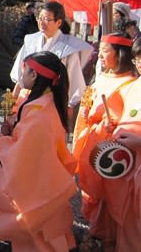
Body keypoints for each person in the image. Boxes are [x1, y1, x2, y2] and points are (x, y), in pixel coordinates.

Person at [0, 51, 77, 251]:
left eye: (25, 70)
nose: (22, 75)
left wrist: (5, 139)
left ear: (34, 75)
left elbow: (21, 155)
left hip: (37, 185)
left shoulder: (39, 116)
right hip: (46, 179)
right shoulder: (45, 103)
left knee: (35, 234)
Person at [72, 33, 137, 251]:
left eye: (105, 51)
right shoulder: (101, 77)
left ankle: (105, 237)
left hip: (112, 148)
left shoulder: (131, 84)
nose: (99, 55)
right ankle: (95, 232)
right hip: (92, 139)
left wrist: (114, 125)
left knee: (109, 196)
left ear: (120, 55)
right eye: (99, 51)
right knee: (89, 190)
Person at [10, 1, 93, 130]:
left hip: (52, 100)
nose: (42, 22)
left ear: (58, 22)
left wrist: (68, 106)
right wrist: (15, 95)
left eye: (47, 19)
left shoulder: (68, 48)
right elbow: (21, 71)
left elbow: (71, 79)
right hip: (27, 95)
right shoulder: (31, 40)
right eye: (40, 18)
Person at [105, 37, 141, 252]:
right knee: (127, 215)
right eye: (137, 59)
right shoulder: (134, 85)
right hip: (129, 164)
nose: (139, 64)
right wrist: (115, 125)